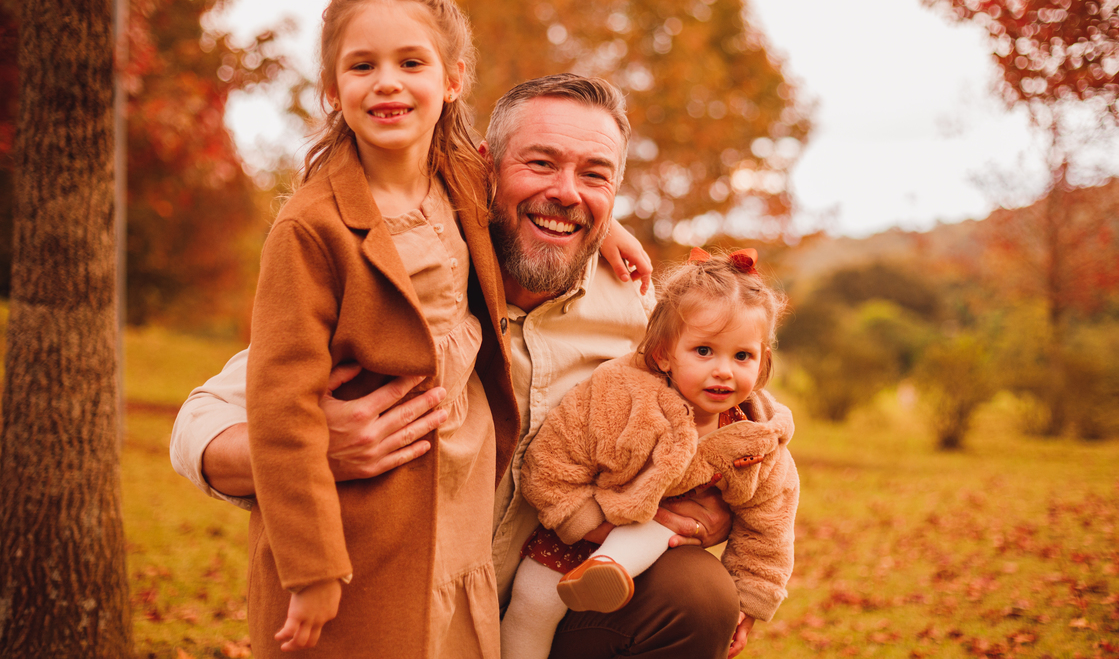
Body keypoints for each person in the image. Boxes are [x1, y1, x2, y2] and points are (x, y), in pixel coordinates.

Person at [171, 74, 746, 658]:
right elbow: (199, 425)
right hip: (404, 619)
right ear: (484, 168)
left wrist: (707, 511)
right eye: (541, 163)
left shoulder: (638, 317)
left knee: (695, 595)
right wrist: (312, 449)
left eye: (594, 174)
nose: (568, 192)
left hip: (547, 609)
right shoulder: (411, 276)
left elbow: (730, 413)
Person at [240, 0, 525, 657]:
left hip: (458, 482)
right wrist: (311, 570)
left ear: (452, 79)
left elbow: (536, 194)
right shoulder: (311, 227)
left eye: (410, 62)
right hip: (363, 517)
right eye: (362, 66)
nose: (387, 82)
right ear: (333, 91)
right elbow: (281, 408)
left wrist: (614, 233)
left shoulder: (460, 177)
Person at [501, 249, 799, 659]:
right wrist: (588, 523)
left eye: (742, 355)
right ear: (663, 354)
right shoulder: (618, 397)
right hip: (577, 532)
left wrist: (749, 603)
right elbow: (551, 461)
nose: (724, 370)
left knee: (672, 522)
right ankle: (599, 571)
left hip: (661, 555)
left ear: (763, 361)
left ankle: (612, 568)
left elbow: (768, 525)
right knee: (531, 605)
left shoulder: (755, 437)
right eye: (704, 351)